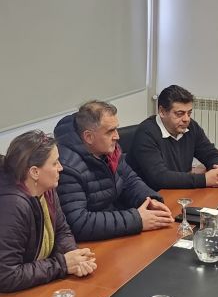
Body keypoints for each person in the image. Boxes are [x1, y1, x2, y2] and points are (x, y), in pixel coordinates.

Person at [54, 101, 174, 241]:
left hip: (115, 229)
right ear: (88, 137)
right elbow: (79, 223)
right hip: (92, 244)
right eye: (110, 131)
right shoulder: (67, 168)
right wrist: (137, 219)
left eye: (116, 129)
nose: (117, 136)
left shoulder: (109, 151)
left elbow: (129, 180)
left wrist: (150, 199)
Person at [0, 131, 96, 293]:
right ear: (34, 172)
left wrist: (74, 256)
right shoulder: (13, 205)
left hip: (36, 283)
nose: (61, 167)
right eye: (55, 163)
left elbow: (61, 230)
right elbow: (7, 275)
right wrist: (62, 264)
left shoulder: (46, 188)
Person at [126, 84, 218, 191]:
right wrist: (204, 179)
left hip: (179, 191)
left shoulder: (190, 127)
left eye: (189, 113)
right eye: (179, 114)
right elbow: (159, 177)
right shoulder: (146, 133)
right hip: (151, 198)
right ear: (162, 112)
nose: (186, 119)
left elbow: (211, 154)